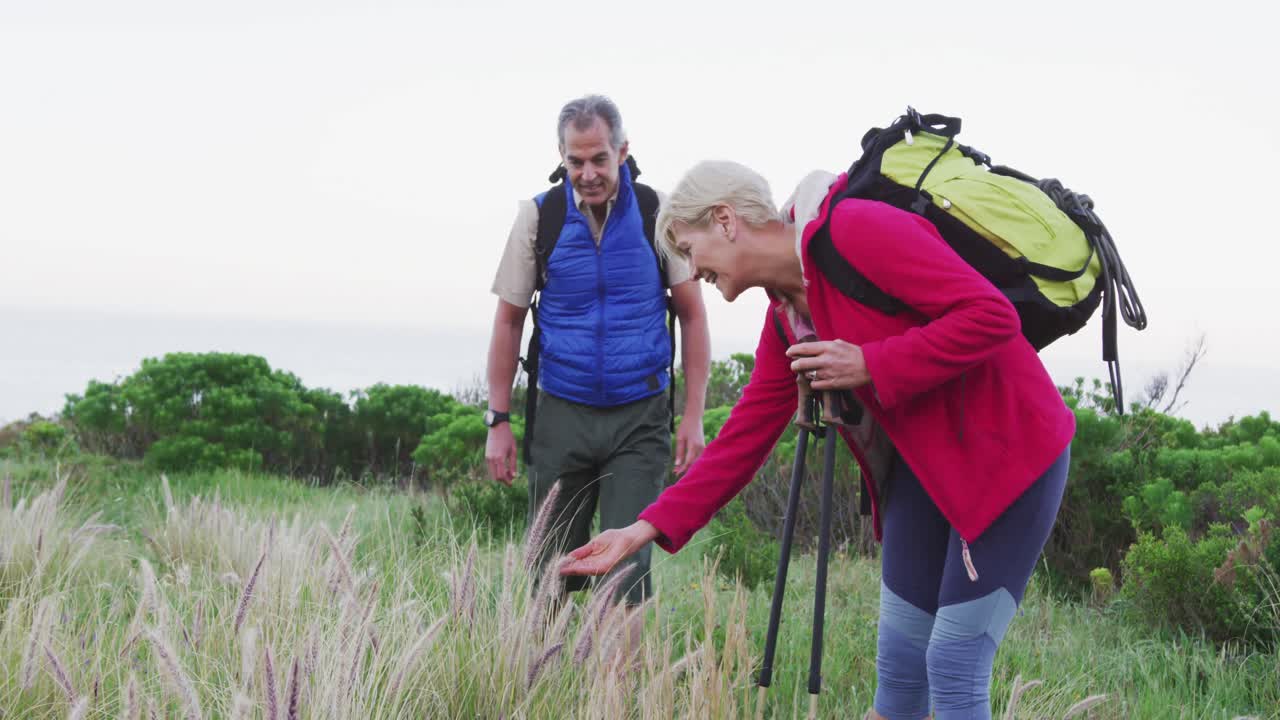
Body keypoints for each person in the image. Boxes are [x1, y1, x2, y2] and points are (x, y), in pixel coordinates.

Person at [560, 160, 1075, 719]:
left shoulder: (856, 230)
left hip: (1007, 459)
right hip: (921, 476)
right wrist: (641, 529)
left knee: (953, 667)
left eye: (689, 246)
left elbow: (991, 316)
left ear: (726, 220)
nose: (690, 268)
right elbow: (743, 439)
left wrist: (870, 363)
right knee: (900, 676)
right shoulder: (787, 318)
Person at [484, 95, 711, 606]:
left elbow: (694, 316)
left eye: (599, 159)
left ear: (623, 151)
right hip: (561, 412)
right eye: (575, 161)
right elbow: (508, 320)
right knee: (550, 570)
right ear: (561, 155)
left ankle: (616, 687)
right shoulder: (537, 218)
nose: (588, 173)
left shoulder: (660, 213)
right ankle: (543, 684)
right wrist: (498, 420)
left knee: (626, 573)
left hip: (640, 417)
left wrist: (692, 416)